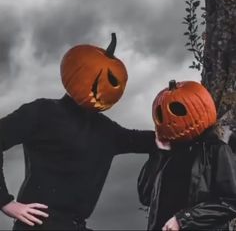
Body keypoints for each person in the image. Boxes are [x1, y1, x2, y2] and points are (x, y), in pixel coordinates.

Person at [0, 34, 156, 230]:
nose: (110, 86)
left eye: (114, 81)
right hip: (38, 224)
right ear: (76, 72)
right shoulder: (42, 112)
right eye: (104, 78)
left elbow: (149, 140)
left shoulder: (107, 130)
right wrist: (5, 202)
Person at [138, 79, 236, 230]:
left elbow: (230, 201)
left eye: (178, 111)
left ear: (200, 109)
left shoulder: (216, 151)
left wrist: (183, 219)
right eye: (162, 116)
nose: (171, 122)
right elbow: (145, 197)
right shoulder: (167, 154)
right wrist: (159, 154)